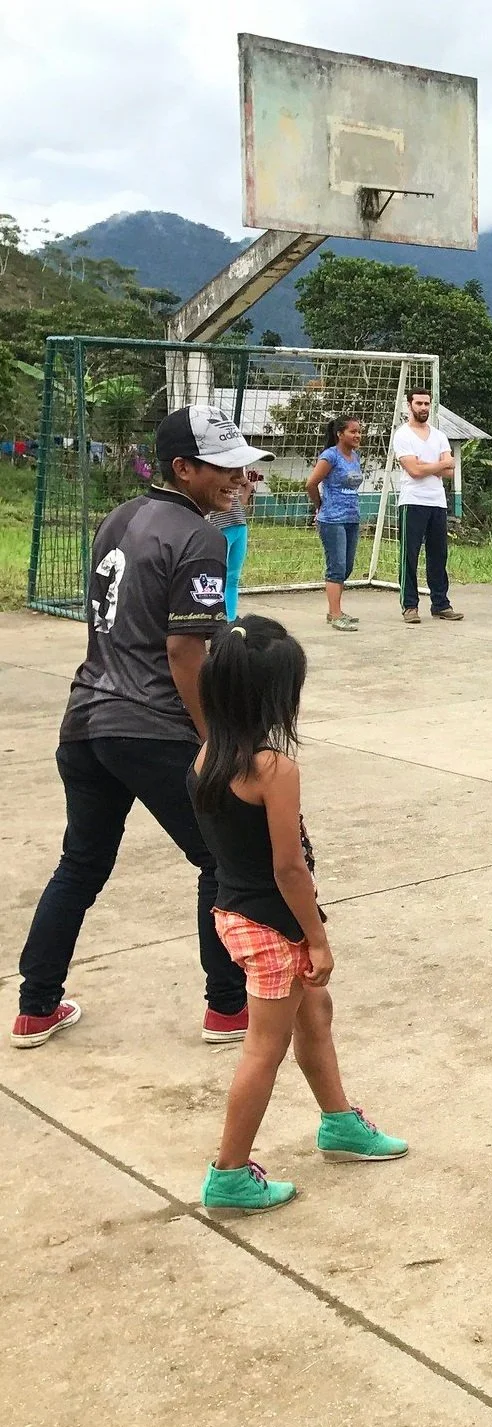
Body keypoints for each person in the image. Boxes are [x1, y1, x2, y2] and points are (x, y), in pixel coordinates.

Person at [13, 405, 259, 1050]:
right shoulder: (198, 537)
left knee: (81, 863)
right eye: (224, 468)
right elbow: (186, 652)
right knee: (219, 858)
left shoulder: (119, 518)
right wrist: (216, 740)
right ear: (184, 468)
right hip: (150, 725)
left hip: (86, 719)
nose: (238, 479)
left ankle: (37, 1005)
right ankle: (227, 1007)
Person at [190, 617, 407, 1213]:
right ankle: (229, 1173)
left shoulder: (205, 757)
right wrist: (317, 939)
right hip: (274, 926)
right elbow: (290, 868)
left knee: (316, 1012)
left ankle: (338, 1122)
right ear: (275, 697)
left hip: (235, 913)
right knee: (265, 1045)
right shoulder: (272, 770)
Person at [393, 390, 461, 624]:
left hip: (437, 502)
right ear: (409, 405)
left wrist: (426, 465)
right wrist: (438, 464)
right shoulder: (402, 435)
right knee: (409, 556)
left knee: (438, 555)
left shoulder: (440, 436)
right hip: (412, 501)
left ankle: (441, 603)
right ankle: (409, 605)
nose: (423, 407)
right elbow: (414, 470)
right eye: (419, 403)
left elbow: (450, 471)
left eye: (426, 403)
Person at [305, 414, 364, 632]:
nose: (357, 435)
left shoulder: (355, 457)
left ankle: (335, 610)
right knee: (336, 566)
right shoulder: (330, 456)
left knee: (347, 566)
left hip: (352, 518)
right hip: (332, 519)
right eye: (353, 431)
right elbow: (311, 483)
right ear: (340, 434)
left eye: (359, 431)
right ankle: (335, 614)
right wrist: (320, 505)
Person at [204, 468, 256, 621]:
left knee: (233, 577)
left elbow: (248, 485)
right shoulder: (211, 473)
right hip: (219, 527)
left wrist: (242, 502)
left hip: (239, 525)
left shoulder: (235, 473)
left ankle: (230, 620)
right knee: (216, 576)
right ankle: (215, 619)